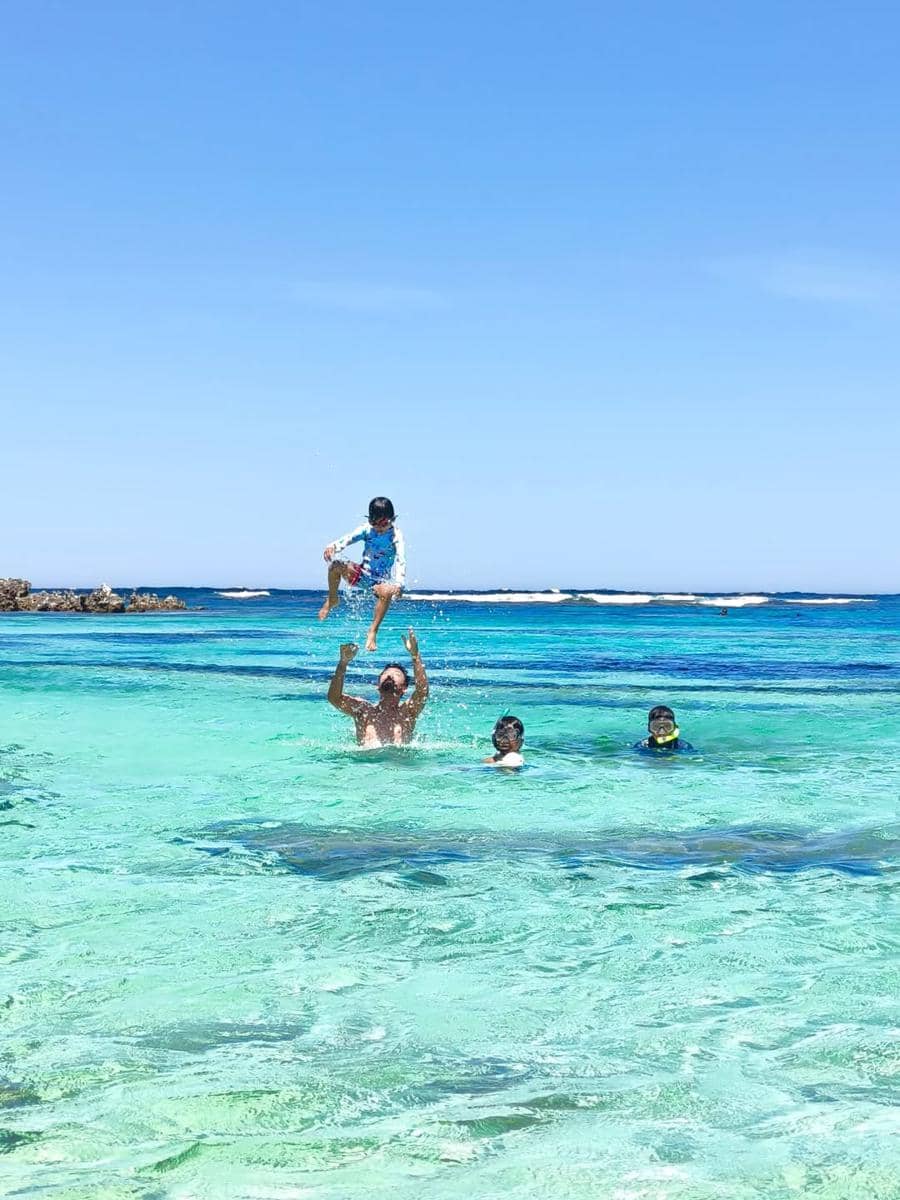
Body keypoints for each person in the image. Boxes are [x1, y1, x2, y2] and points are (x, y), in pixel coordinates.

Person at [318, 497, 406, 652]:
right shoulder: (366, 530)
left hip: (380, 582)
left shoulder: (395, 535)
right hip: (362, 575)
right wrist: (333, 547)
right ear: (370, 520)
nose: (379, 528)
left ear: (392, 519)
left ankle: (372, 631)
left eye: (384, 523)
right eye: (375, 523)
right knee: (335, 565)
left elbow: (401, 559)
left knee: (386, 591)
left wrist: (399, 583)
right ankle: (332, 599)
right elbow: (348, 539)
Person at [327, 628, 428, 747]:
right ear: (377, 684)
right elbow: (334, 698)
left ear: (405, 687)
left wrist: (415, 656)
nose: (390, 675)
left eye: (397, 674)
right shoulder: (363, 710)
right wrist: (343, 662)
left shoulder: (407, 712)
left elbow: (422, 691)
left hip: (399, 764)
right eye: (385, 674)